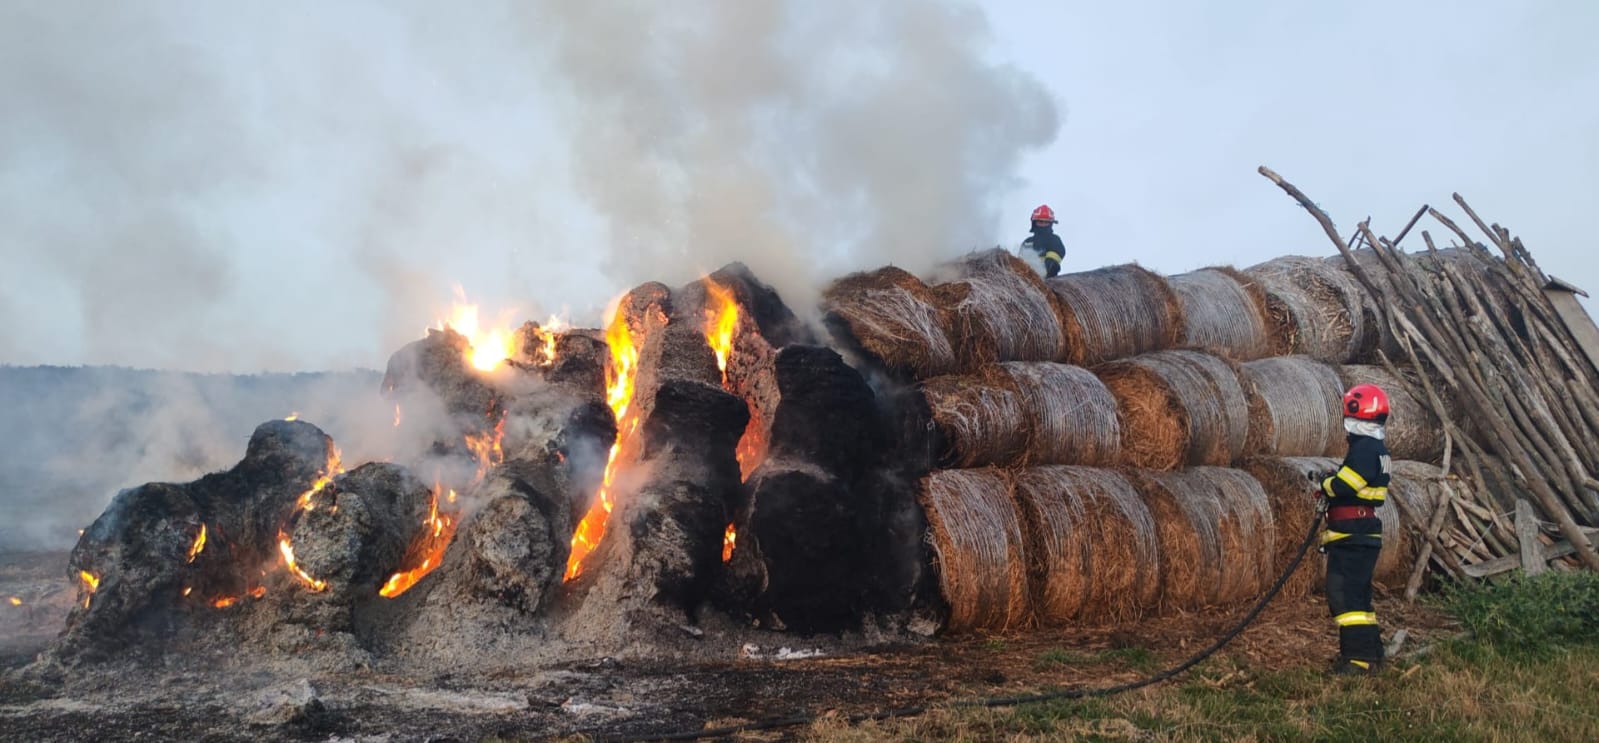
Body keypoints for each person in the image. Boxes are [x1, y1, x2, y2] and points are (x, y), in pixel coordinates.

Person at [1318, 383, 1392, 675]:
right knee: (1359, 598)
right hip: (1360, 533)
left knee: (1344, 596)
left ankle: (1358, 660)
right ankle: (1372, 655)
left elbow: (1344, 486)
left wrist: (1324, 483)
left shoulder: (1365, 449)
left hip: (1354, 535)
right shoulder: (1376, 448)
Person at [1021, 204, 1065, 278]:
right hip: (1026, 277)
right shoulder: (1027, 242)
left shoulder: (1054, 240)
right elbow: (1019, 261)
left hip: (1048, 279)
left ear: (1051, 224)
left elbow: (1053, 261)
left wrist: (1044, 270)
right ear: (1034, 223)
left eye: (1046, 222)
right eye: (1040, 222)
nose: (1043, 224)